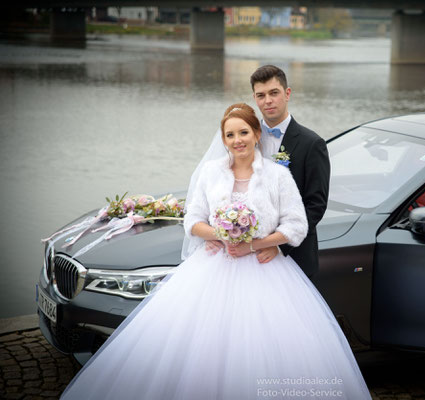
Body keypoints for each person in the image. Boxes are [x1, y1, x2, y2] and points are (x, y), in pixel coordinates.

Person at [60, 103, 371, 400]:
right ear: (223, 139)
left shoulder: (277, 176)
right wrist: (220, 234)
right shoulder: (211, 173)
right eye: (230, 135)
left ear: (257, 134)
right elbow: (193, 219)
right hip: (212, 268)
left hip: (266, 273)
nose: (237, 141)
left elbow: (296, 226)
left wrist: (257, 244)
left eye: (244, 133)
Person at [205, 65, 330, 279]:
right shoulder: (244, 138)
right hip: (240, 255)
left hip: (291, 255)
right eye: (261, 95)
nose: (268, 101)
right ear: (254, 97)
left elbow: (315, 205)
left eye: (274, 93)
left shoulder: (312, 144)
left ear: (287, 93)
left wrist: (278, 245)